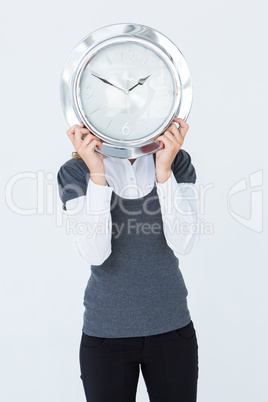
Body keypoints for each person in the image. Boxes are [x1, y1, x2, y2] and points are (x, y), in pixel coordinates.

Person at [57, 118, 200, 402]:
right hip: (106, 336)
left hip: (172, 330)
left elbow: (184, 242)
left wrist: (164, 172)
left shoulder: (177, 161)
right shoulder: (75, 172)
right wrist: (97, 174)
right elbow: (95, 254)